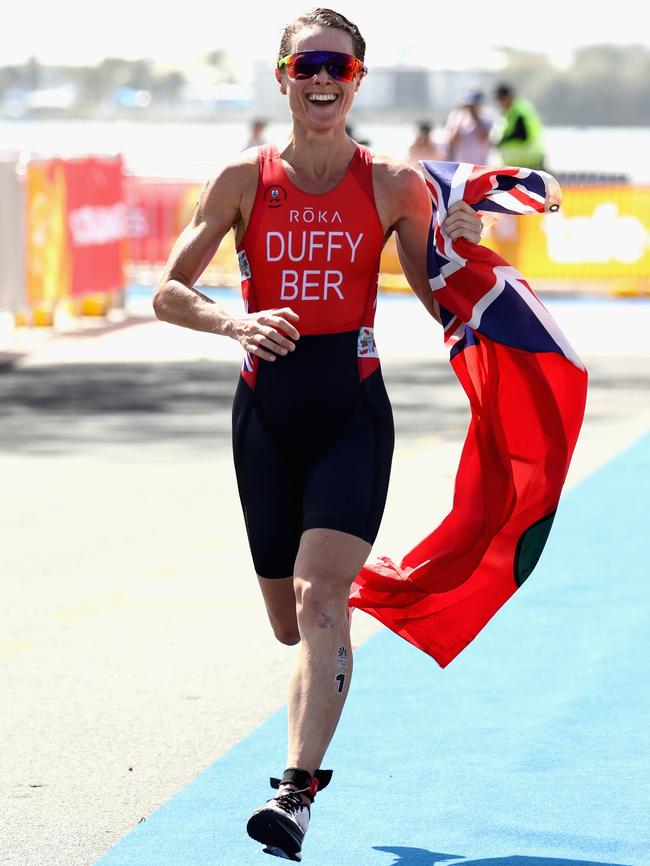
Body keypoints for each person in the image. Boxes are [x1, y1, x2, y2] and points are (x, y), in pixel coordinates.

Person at [153, 8, 482, 861]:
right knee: (287, 624)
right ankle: (317, 657)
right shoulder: (239, 178)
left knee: (319, 597)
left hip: (351, 410)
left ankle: (295, 792)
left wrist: (461, 249)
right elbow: (167, 292)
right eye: (308, 67)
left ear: (359, 79)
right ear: (284, 78)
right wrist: (234, 325)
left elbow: (438, 294)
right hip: (264, 415)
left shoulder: (391, 185)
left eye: (340, 65)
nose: (324, 79)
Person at [493, 83, 545, 169]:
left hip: (529, 164)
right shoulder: (510, 112)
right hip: (519, 164)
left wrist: (502, 141)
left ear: (508, 97)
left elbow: (521, 135)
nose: (499, 102)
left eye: (501, 98)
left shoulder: (519, 111)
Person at [445, 89, 493, 165]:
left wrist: (475, 118)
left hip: (480, 166)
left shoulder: (487, 118)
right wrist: (458, 121)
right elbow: (452, 142)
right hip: (461, 166)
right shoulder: (456, 117)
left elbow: (485, 140)